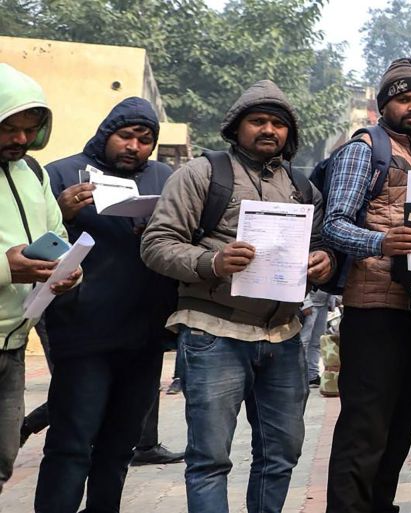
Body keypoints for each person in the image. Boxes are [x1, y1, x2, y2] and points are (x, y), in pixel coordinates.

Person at [141, 79, 333, 513]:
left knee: (281, 455)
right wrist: (214, 262)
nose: (269, 130)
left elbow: (321, 246)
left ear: (290, 134)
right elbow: (156, 244)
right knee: (210, 459)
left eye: (279, 124)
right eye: (258, 121)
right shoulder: (202, 174)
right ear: (236, 127)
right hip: (214, 332)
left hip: (283, 337)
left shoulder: (302, 189)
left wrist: (325, 262)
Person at [34, 97, 179, 512]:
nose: (134, 146)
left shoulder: (164, 177)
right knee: (72, 444)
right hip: (82, 335)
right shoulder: (61, 173)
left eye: (145, 139)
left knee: (119, 446)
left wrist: (162, 228)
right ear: (105, 134)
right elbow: (34, 241)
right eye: (126, 136)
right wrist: (62, 214)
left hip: (144, 336)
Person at [322, 58, 411, 513]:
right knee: (364, 429)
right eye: (404, 98)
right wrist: (381, 241)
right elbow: (334, 224)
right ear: (383, 102)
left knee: (400, 426)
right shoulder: (364, 149)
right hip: (372, 309)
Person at [0, 63, 80, 494]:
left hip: (13, 345)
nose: (20, 139)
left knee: (2, 461)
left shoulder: (34, 172)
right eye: (9, 127)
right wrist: (4, 267)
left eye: (29, 129)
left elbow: (57, 235)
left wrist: (69, 270)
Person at [300, 289, 332, 387]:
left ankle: (312, 375)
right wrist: (305, 303)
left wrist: (333, 300)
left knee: (317, 342)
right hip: (310, 303)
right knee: (303, 341)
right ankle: (300, 375)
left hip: (324, 302)